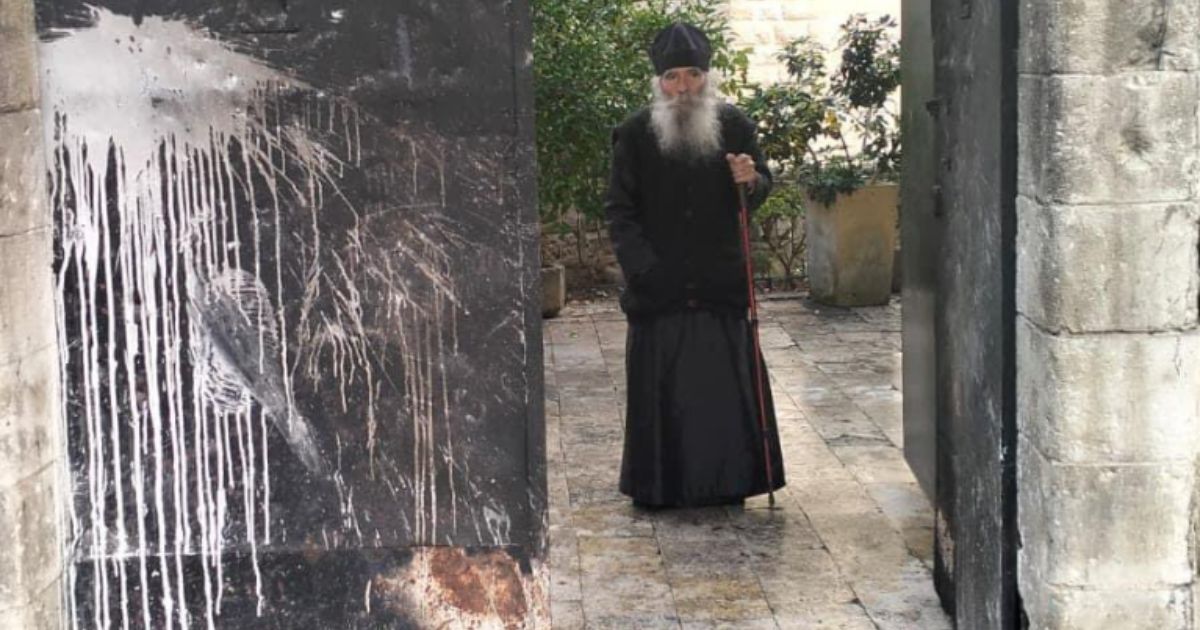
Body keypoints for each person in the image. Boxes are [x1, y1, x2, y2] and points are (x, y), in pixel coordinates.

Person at [606, 22, 786, 508]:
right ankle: (662, 488)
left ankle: (729, 483)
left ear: (708, 76)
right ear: (658, 82)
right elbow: (619, 212)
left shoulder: (736, 126)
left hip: (718, 282)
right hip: (658, 287)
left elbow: (759, 188)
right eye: (672, 77)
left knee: (719, 397)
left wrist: (752, 180)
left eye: (692, 74)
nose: (683, 87)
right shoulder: (635, 133)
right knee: (665, 397)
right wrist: (644, 270)